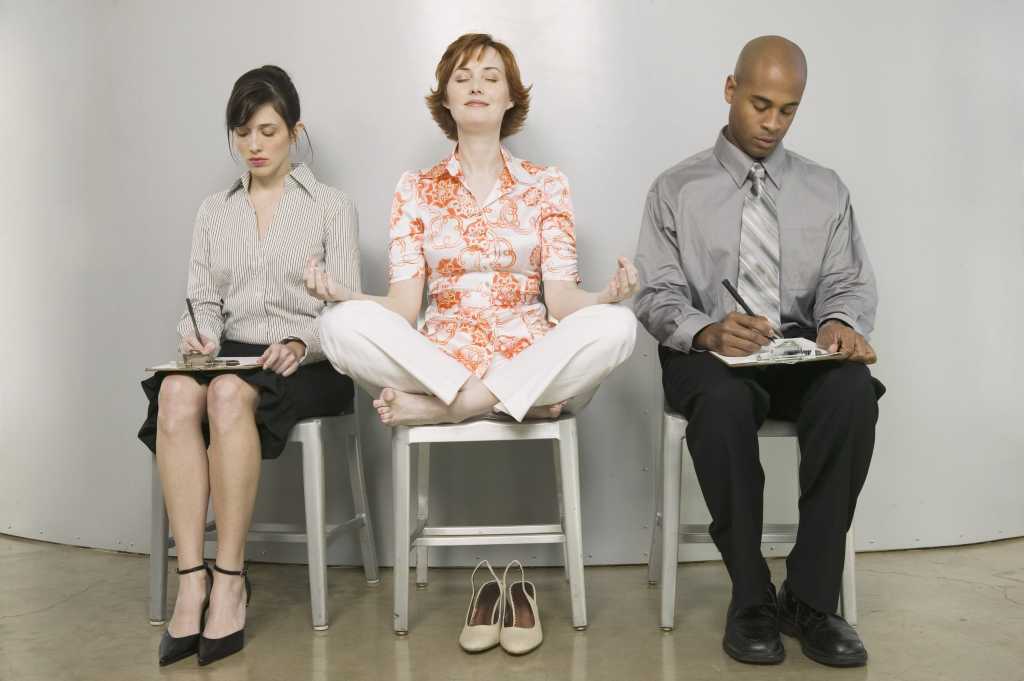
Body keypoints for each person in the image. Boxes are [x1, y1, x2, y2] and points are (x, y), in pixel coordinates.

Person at [634, 36, 884, 668]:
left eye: (788, 111)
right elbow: (655, 293)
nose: (772, 123)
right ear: (730, 90)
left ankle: (811, 596)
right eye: (760, 104)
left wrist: (838, 324)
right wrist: (708, 330)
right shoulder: (676, 188)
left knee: (854, 393)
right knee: (719, 403)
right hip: (710, 352)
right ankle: (751, 596)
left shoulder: (825, 189)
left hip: (796, 348)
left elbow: (847, 280)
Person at [137, 65, 359, 666]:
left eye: (267, 131)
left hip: (307, 363)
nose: (254, 146)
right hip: (229, 357)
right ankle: (193, 580)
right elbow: (199, 301)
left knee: (230, 395)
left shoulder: (331, 206)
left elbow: (347, 310)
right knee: (181, 394)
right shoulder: (214, 211)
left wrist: (301, 342)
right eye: (243, 134)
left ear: (294, 130)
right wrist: (201, 336)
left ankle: (231, 579)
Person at [309, 33, 637, 426]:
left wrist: (607, 295)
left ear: (510, 97)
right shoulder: (416, 188)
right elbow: (404, 307)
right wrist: (343, 294)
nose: (477, 86)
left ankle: (455, 407)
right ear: (446, 97)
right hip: (441, 362)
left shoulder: (546, 184)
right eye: (463, 78)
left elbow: (562, 301)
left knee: (619, 324)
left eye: (491, 77)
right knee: (336, 323)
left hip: (532, 353)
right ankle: (509, 400)